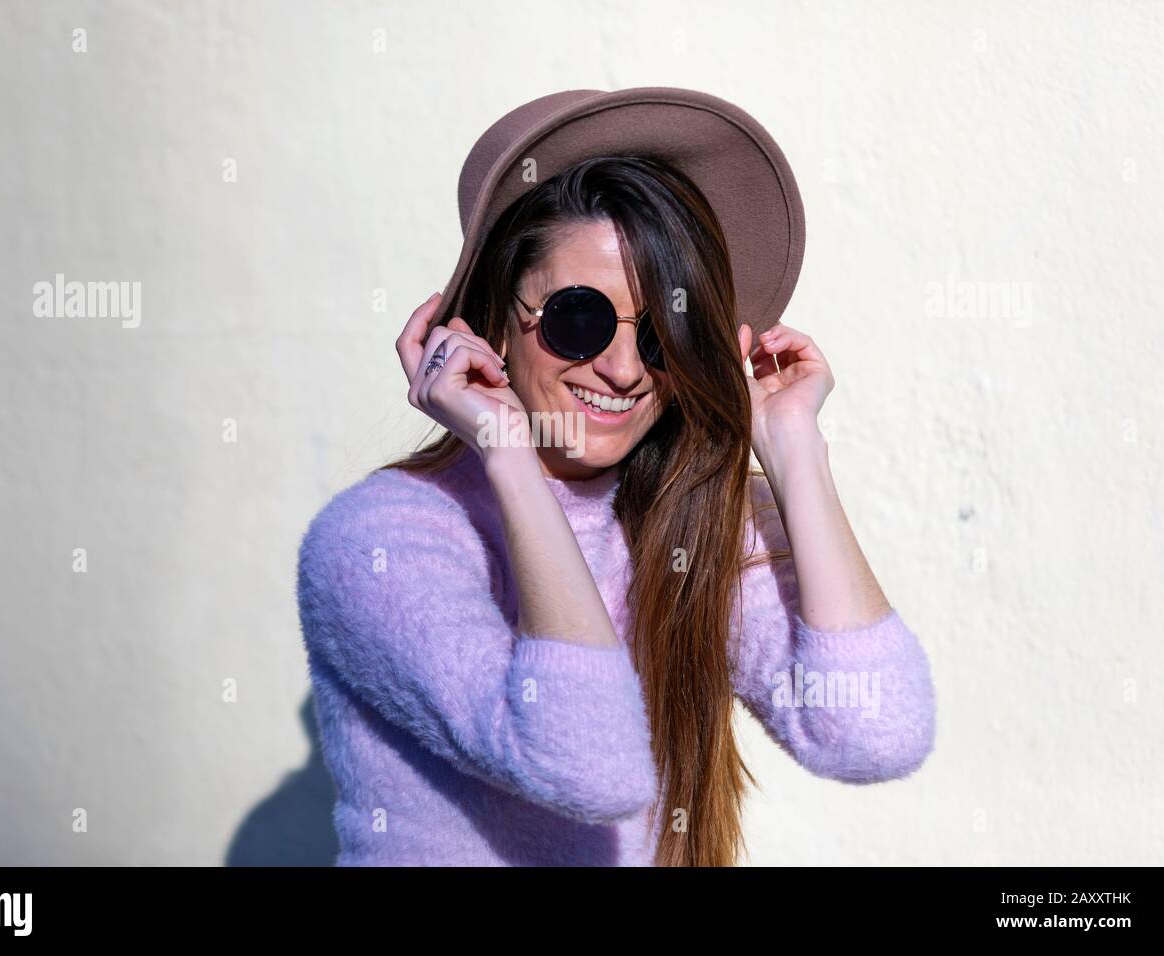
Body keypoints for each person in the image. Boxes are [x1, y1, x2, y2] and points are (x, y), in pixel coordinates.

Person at [297, 91, 936, 867]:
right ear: (495, 317)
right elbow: (586, 765)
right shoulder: (380, 539)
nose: (626, 369)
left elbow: (875, 734)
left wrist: (795, 447)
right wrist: (507, 452)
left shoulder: (688, 519)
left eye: (667, 331)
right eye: (579, 319)